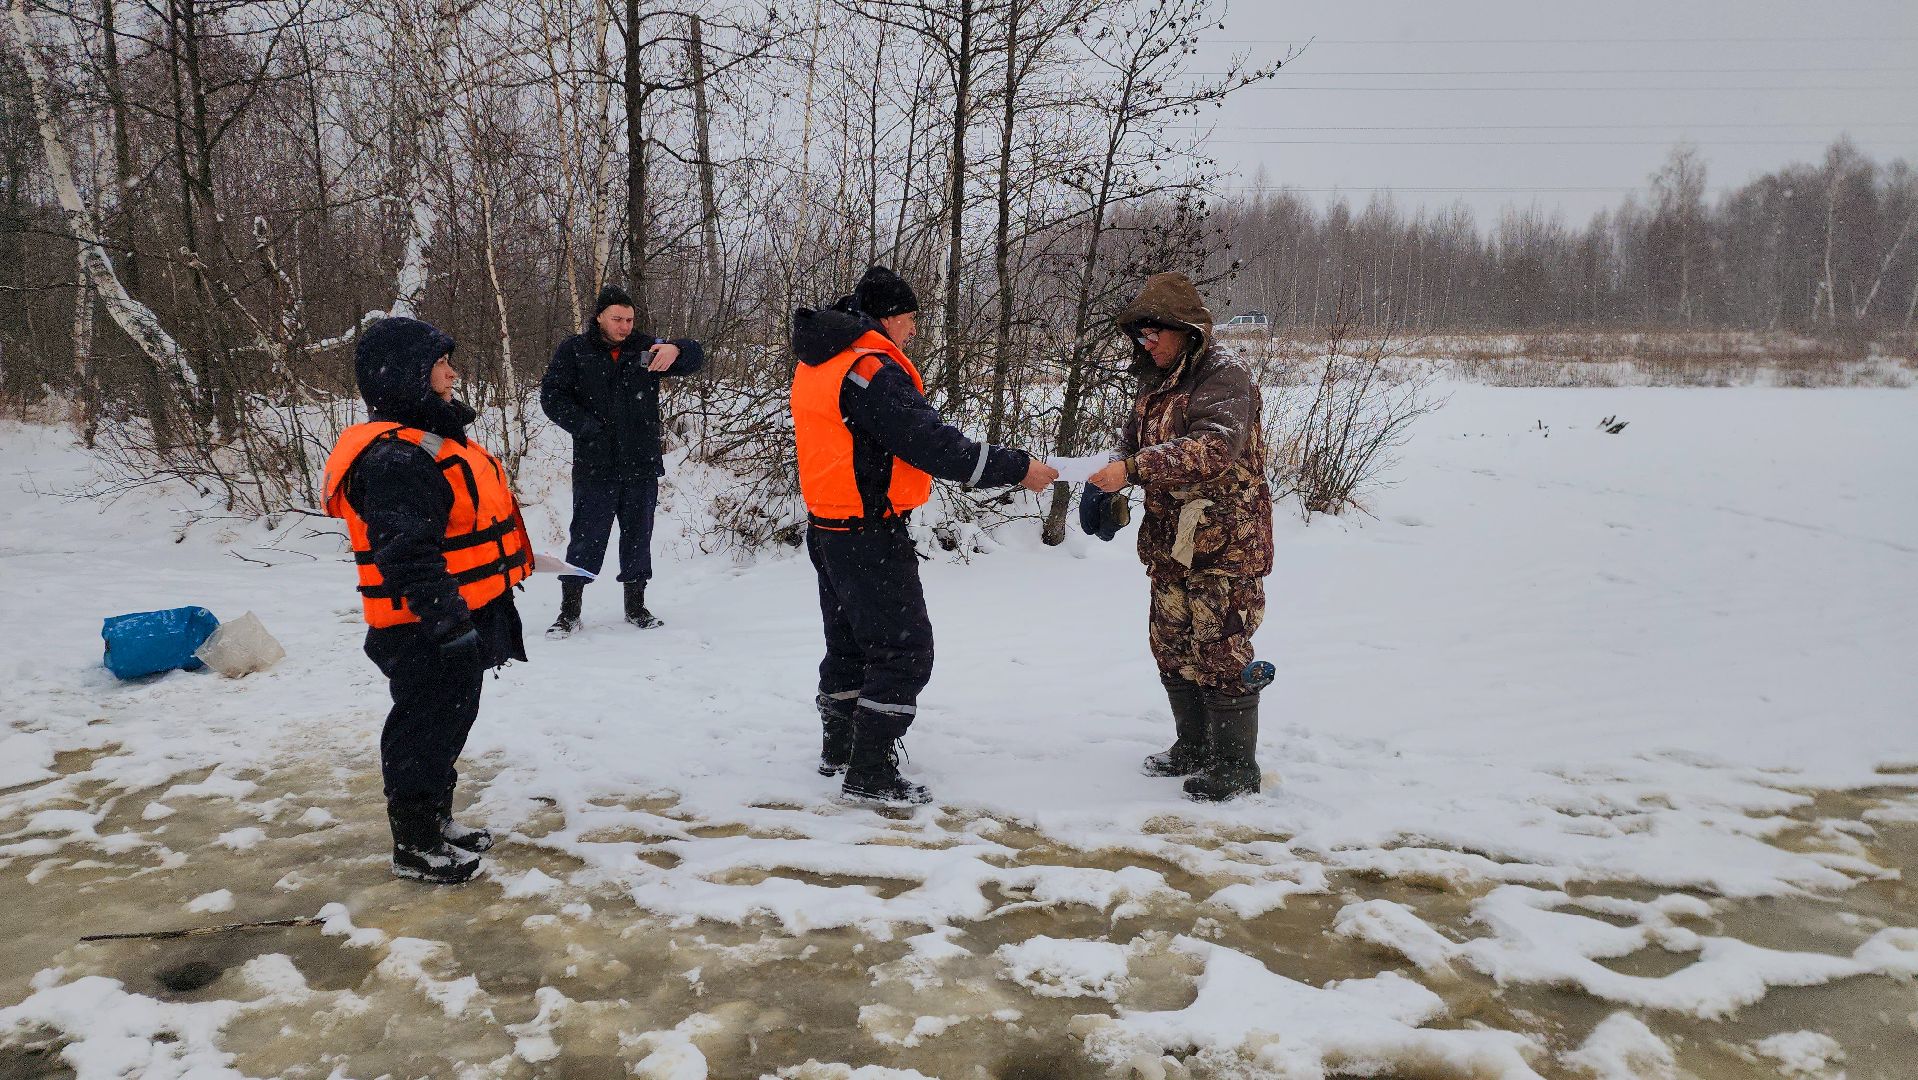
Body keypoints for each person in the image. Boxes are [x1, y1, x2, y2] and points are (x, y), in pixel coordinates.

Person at [791, 266, 1059, 805]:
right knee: (902, 652)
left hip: (827, 526)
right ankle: (870, 773)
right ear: (889, 318)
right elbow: (934, 446)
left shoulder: (819, 360)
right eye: (910, 320)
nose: (913, 331)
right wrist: (1015, 467)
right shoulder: (870, 369)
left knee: (848, 644)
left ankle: (839, 748)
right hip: (868, 531)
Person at [322, 317, 532, 882]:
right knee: (423, 727)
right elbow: (405, 554)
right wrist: (448, 623)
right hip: (422, 626)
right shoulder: (396, 460)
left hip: (455, 617)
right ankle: (414, 842)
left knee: (449, 720)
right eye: (442, 364)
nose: (452, 372)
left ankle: (435, 820)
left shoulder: (431, 442)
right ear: (410, 377)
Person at [1088, 272, 1274, 801]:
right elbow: (1131, 445)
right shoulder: (1154, 383)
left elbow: (1212, 449)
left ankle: (1235, 767)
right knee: (1171, 644)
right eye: (1139, 337)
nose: (1145, 345)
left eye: (1154, 335)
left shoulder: (1225, 378)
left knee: (1220, 648)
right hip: (1171, 543)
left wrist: (1135, 468)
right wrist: (1109, 482)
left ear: (1184, 330)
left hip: (1225, 541)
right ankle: (1192, 746)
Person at [539, 284, 705, 636]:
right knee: (586, 538)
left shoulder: (646, 348)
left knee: (638, 537)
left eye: (629, 319)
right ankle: (569, 611)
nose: (625, 326)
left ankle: (636, 606)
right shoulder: (575, 350)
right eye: (617, 319)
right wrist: (587, 428)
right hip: (595, 464)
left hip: (640, 463)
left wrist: (677, 348)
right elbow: (552, 397)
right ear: (599, 316)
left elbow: (696, 357)